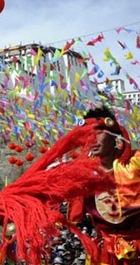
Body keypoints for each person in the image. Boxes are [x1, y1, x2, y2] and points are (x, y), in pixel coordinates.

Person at [67, 107, 139, 265]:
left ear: (114, 135)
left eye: (98, 133)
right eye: (87, 135)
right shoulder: (80, 175)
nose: (91, 140)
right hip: (102, 254)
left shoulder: (136, 163)